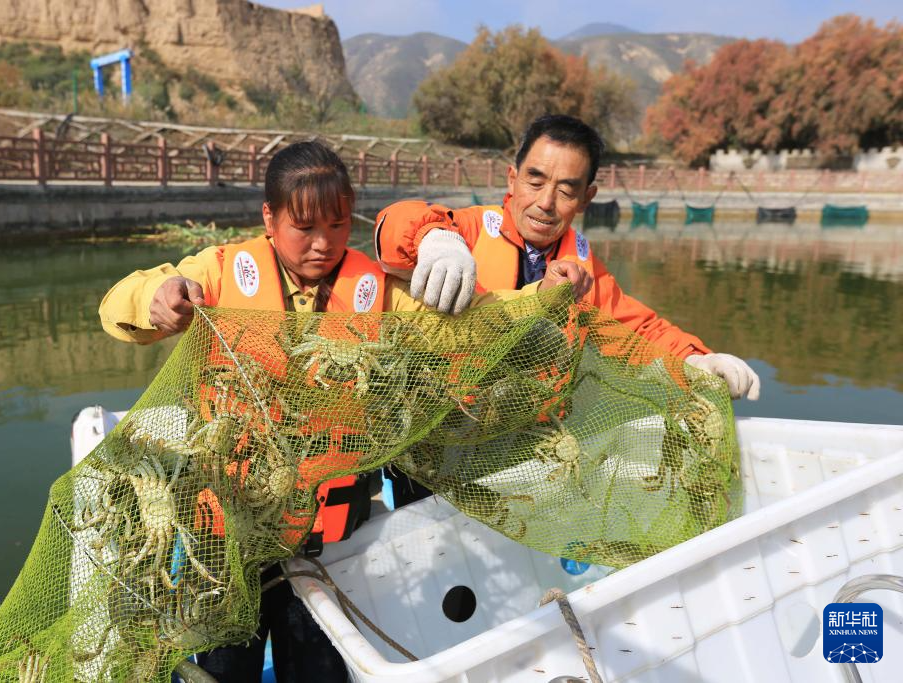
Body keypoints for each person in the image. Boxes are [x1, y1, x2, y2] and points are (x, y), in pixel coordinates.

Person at [99, 140, 577, 683]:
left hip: (327, 542)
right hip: (226, 534)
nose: (323, 243)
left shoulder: (377, 290)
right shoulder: (222, 272)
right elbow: (119, 303)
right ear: (269, 218)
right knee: (222, 670)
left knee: (320, 671)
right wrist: (157, 298)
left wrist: (542, 295)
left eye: (338, 224)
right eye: (304, 228)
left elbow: (471, 321)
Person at [373, 114, 760, 401]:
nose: (545, 202)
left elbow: (639, 332)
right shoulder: (466, 230)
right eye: (535, 180)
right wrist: (434, 238)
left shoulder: (586, 270)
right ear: (512, 178)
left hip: (524, 430)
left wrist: (697, 361)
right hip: (444, 414)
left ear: (587, 198)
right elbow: (394, 222)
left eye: (566, 190)